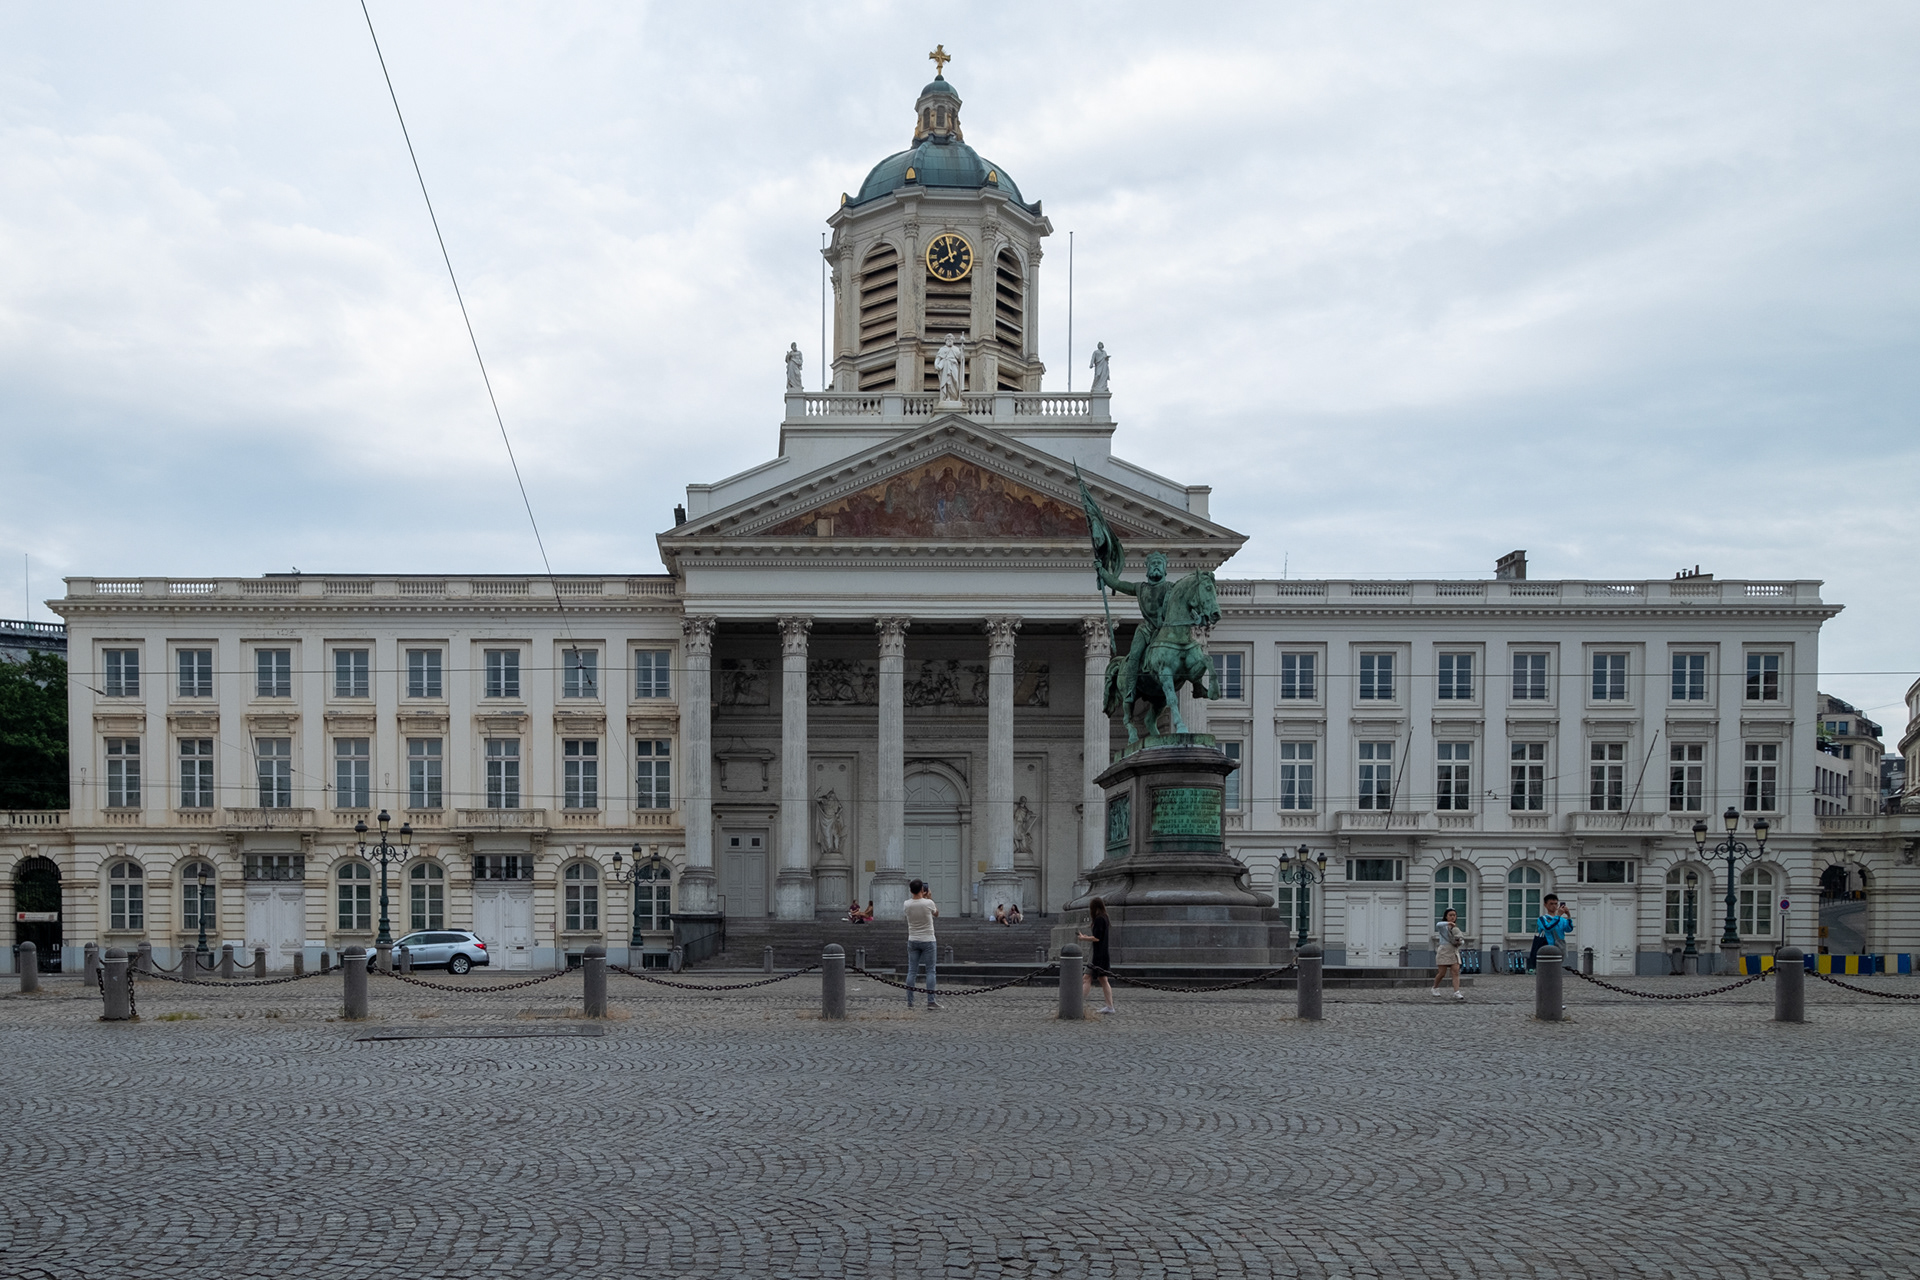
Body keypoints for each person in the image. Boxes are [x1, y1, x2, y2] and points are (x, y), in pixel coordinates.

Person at [903, 879, 940, 1009]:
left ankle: (910, 1002)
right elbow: (936, 914)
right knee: (930, 971)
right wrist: (929, 897)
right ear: (923, 890)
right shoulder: (928, 903)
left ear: (910, 890)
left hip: (913, 939)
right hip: (928, 939)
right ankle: (930, 1001)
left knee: (912, 971)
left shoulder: (907, 904)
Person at [1076, 897, 1116, 1014]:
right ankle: (1109, 1006)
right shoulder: (1105, 918)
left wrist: (1084, 938)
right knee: (1103, 979)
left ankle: (1077, 1004)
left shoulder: (1099, 919)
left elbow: (1097, 938)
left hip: (1097, 954)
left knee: (1086, 978)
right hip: (1103, 952)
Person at [1431, 908, 1469, 1000]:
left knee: (1455, 971)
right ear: (1446, 916)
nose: (1452, 917)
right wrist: (1448, 923)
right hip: (1444, 950)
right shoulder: (1443, 927)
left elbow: (1461, 939)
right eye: (1450, 915)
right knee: (1442, 973)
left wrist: (1460, 942)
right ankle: (1435, 987)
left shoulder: (1456, 928)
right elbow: (1438, 924)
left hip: (1454, 950)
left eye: (1454, 915)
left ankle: (1456, 992)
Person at [1528, 895, 1574, 971]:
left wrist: (1568, 915)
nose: (1554, 906)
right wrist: (1558, 916)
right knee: (1546, 969)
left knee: (1556, 968)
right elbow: (1547, 927)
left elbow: (1569, 929)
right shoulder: (1542, 919)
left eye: (1556, 904)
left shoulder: (1561, 920)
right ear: (1545, 905)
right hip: (1546, 945)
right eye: (1551, 904)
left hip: (1559, 945)